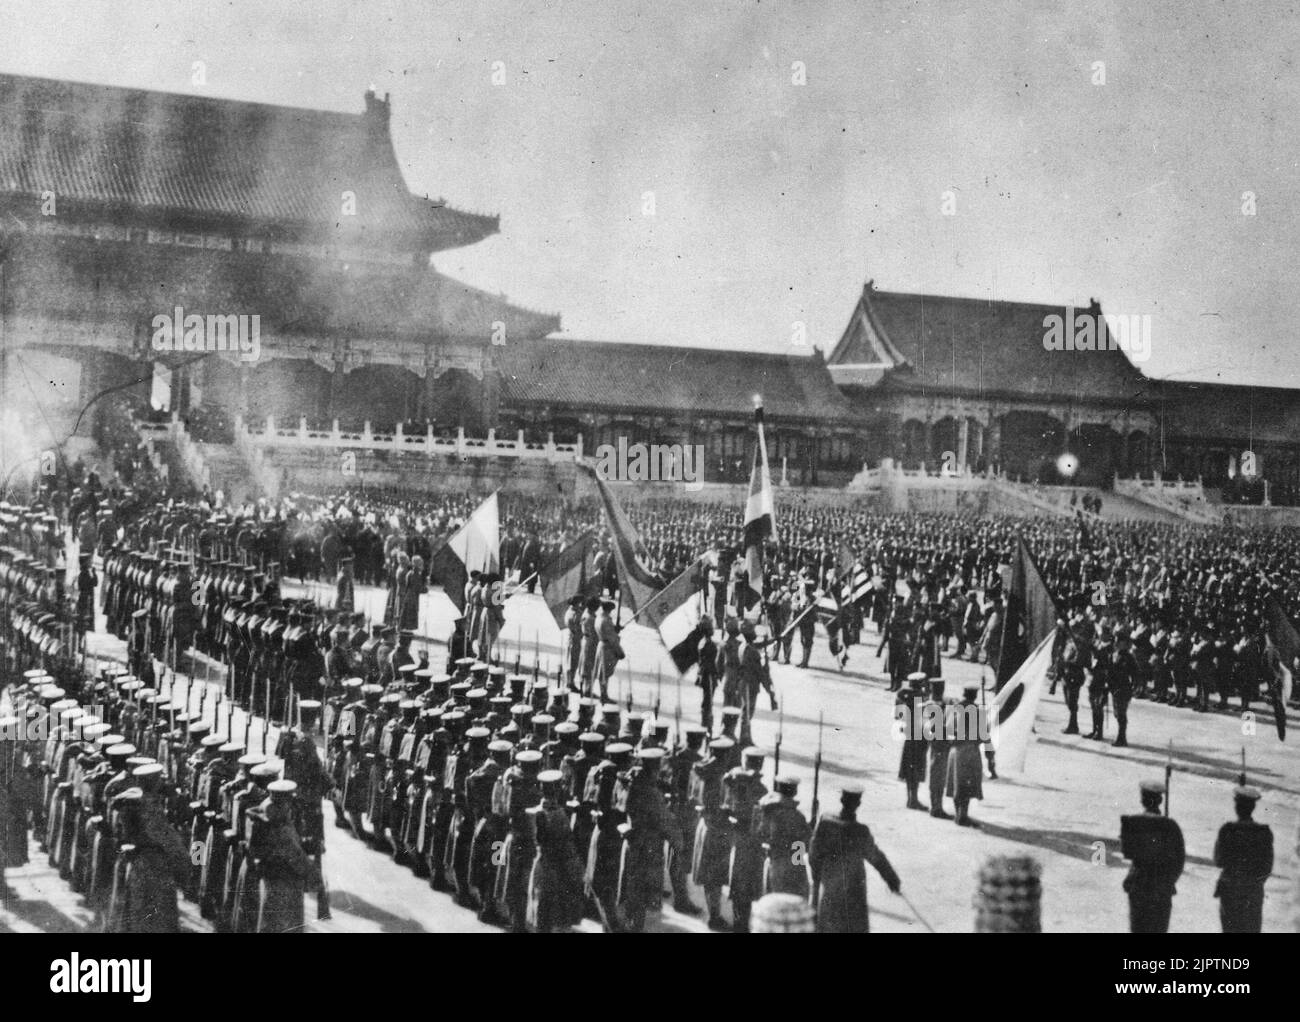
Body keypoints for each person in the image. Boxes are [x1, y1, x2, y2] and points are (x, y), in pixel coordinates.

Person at [809, 784, 900, 933]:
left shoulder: (825, 821)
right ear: (858, 804)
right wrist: (891, 878)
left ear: (841, 799)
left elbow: (814, 851)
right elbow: (875, 857)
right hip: (853, 891)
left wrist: (818, 874)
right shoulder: (860, 831)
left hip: (830, 886)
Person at [1119, 780, 1185, 933]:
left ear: (1142, 800)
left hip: (1139, 883)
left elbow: (1127, 851)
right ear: (1161, 801)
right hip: (1161, 887)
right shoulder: (1171, 826)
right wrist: (1168, 881)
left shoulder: (1132, 822)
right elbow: (1179, 861)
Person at [1212, 785, 1273, 933]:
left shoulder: (1227, 830)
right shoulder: (1263, 832)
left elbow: (1218, 860)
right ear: (1253, 807)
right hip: (1252, 891)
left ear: (1237, 807)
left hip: (1230, 888)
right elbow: (1267, 867)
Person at [757, 775, 811, 897]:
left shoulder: (766, 810)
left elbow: (760, 834)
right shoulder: (797, 816)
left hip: (772, 861)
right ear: (794, 791)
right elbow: (803, 846)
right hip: (791, 863)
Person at [944, 683, 989, 827]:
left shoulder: (953, 709)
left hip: (955, 751)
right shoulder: (977, 711)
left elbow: (945, 730)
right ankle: (963, 816)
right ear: (974, 695)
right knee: (967, 784)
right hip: (970, 750)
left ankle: (958, 814)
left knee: (957, 783)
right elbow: (984, 736)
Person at [896, 676, 927, 811]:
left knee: (909, 768)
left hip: (909, 737)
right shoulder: (922, 697)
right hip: (919, 738)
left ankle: (910, 798)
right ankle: (913, 799)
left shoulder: (904, 696)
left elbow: (897, 716)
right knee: (917, 768)